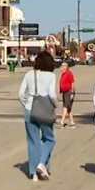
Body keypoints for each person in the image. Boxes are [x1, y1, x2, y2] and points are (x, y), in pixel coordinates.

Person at [18, 51, 58, 181]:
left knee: (32, 141)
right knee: (49, 139)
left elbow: (20, 94)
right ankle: (42, 164)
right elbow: (51, 94)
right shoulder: (51, 76)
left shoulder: (29, 74)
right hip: (45, 109)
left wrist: (27, 104)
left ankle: (33, 172)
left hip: (30, 109)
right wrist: (54, 104)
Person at [58, 61, 77, 127]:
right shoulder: (63, 74)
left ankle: (62, 122)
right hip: (64, 92)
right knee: (68, 107)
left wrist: (72, 92)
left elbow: (72, 83)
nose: (61, 67)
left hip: (68, 92)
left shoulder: (69, 73)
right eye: (61, 65)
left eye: (63, 66)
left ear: (66, 67)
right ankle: (72, 122)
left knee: (65, 107)